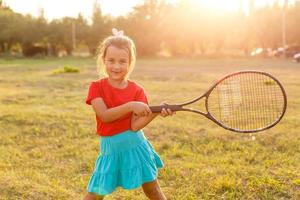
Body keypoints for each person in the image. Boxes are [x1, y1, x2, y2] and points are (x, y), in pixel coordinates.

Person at [83, 28, 174, 200]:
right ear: (103, 61)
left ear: (130, 62)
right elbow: (105, 116)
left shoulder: (137, 91)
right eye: (111, 60)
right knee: (96, 192)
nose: (116, 66)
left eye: (122, 61)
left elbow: (135, 125)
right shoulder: (96, 87)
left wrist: (156, 112)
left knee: (153, 189)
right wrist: (131, 105)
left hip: (136, 147)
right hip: (110, 150)